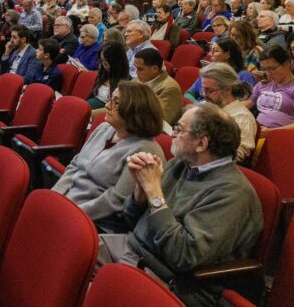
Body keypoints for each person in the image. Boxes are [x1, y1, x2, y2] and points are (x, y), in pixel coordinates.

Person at [99, 103, 263, 307]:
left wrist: (154, 191)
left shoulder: (232, 194)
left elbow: (182, 256)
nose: (172, 134)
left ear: (201, 143)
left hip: (169, 278)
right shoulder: (181, 164)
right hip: (132, 248)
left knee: (95, 293)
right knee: (71, 251)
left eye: (179, 129)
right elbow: (131, 219)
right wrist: (141, 190)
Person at [53, 81, 165, 233]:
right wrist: (55, 196)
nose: (107, 105)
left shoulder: (145, 151)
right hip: (67, 205)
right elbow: (75, 165)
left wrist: (71, 214)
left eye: (116, 103)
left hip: (95, 223)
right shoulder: (103, 128)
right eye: (110, 99)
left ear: (134, 111)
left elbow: (116, 201)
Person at [244, 45, 294, 135]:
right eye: (264, 69)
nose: (268, 73)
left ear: (287, 64)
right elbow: (247, 103)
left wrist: (271, 132)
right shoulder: (264, 84)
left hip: (281, 135)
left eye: (272, 68)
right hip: (258, 130)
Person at [199, 63, 257, 164]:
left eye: (210, 90)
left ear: (227, 89)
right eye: (203, 89)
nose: (204, 94)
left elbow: (237, 155)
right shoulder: (205, 106)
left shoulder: (242, 117)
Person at [184, 39, 256, 103]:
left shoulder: (244, 75)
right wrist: (197, 105)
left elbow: (246, 102)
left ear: (227, 55)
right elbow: (188, 94)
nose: (210, 54)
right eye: (210, 50)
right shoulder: (208, 73)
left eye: (214, 51)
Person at [133, 48, 182, 126]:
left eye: (140, 69)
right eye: (135, 68)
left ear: (155, 69)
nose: (136, 72)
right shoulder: (137, 80)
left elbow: (160, 121)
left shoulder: (170, 89)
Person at [89, 42, 129, 109]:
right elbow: (92, 95)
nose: (104, 65)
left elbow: (116, 108)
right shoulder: (103, 73)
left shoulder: (125, 82)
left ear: (116, 61)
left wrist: (91, 112)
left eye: (106, 61)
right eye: (102, 61)